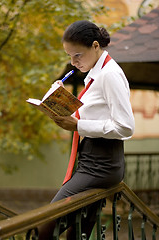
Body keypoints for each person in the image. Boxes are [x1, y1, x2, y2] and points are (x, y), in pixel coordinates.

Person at [38, 20, 135, 240]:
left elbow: (125, 126)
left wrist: (78, 125)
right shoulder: (96, 73)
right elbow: (95, 114)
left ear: (94, 46)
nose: (73, 63)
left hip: (101, 165)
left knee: (44, 227)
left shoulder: (109, 74)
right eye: (69, 57)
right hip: (92, 160)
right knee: (77, 233)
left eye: (77, 56)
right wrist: (59, 102)